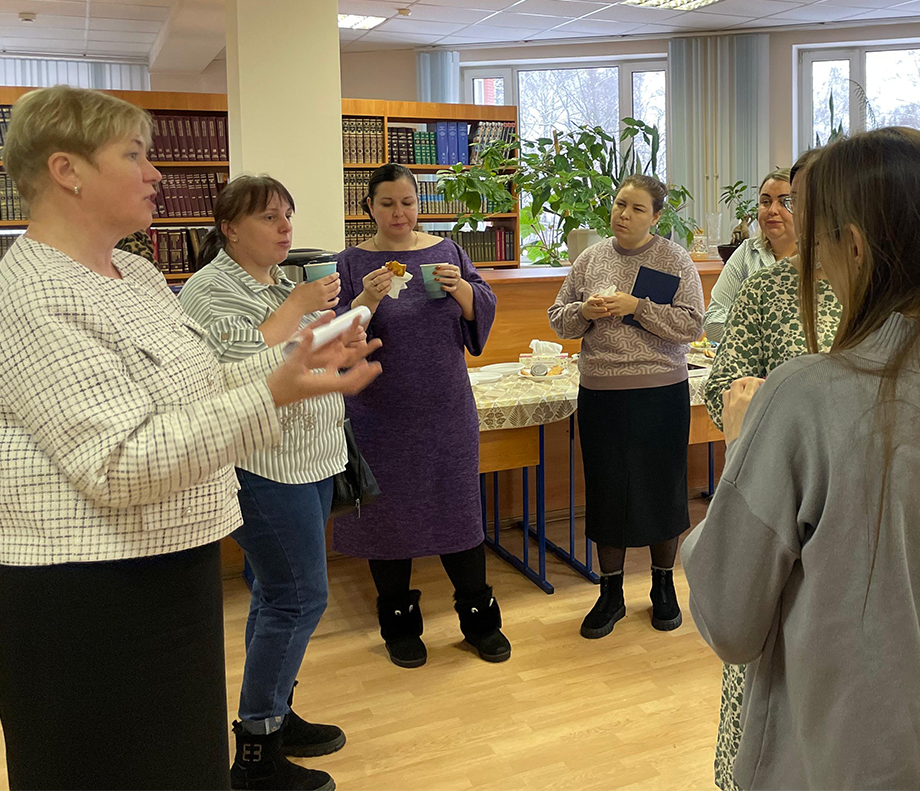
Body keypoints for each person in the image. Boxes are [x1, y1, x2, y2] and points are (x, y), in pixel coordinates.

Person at [0, 85, 381, 791]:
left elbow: (201, 383)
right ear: (67, 170)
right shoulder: (35, 295)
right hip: (92, 602)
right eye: (134, 155)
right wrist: (274, 391)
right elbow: (120, 464)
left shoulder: (133, 272)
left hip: (170, 574)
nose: (156, 172)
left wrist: (294, 359)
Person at [682, 127, 920, 789]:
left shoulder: (804, 396)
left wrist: (743, 448)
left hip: (835, 761)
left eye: (818, 238)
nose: (815, 263)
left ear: (852, 246)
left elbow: (731, 617)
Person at [179, 175, 351, 791]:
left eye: (288, 215)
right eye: (269, 217)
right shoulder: (207, 292)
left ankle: (273, 711)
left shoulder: (279, 283)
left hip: (310, 457)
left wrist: (340, 335)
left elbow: (304, 354)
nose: (285, 228)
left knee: (274, 593)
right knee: (298, 597)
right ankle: (256, 755)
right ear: (229, 228)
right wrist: (299, 309)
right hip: (261, 464)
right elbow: (232, 371)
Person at [700, 149, 841, 791]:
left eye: (803, 201)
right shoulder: (767, 289)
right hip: (779, 513)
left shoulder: (888, 297)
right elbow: (721, 387)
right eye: (786, 200)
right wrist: (746, 408)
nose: (790, 213)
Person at [333, 163, 510, 668]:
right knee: (387, 522)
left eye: (407, 202)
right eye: (387, 203)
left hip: (446, 410)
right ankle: (399, 626)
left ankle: (480, 621)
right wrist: (366, 299)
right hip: (379, 414)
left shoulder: (447, 251)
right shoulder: (350, 263)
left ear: (419, 204)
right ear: (369, 207)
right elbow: (338, 338)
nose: (399, 213)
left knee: (459, 513)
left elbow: (482, 306)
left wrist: (463, 291)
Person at [548, 174, 704, 640]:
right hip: (602, 392)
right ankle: (610, 593)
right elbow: (559, 320)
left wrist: (637, 306)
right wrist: (584, 312)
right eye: (620, 204)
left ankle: (663, 587)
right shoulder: (591, 258)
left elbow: (692, 326)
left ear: (656, 217)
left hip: (661, 390)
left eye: (637, 208)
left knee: (664, 488)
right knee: (607, 491)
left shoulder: (675, 259)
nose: (623, 215)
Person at [703, 168, 797, 343]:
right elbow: (713, 323)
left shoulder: (822, 258)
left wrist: (746, 328)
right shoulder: (747, 252)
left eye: (785, 202)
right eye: (765, 202)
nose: (772, 210)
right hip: (749, 359)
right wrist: (766, 338)